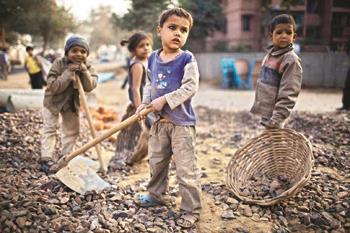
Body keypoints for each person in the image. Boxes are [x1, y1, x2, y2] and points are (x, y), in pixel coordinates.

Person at [135, 8, 201, 229]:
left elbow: (190, 87)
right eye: (172, 28)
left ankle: (191, 208)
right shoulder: (153, 57)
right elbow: (149, 84)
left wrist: (165, 100)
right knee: (157, 161)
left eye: (184, 30)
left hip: (181, 123)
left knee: (185, 168)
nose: (178, 33)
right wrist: (145, 104)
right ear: (159, 30)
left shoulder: (187, 58)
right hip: (159, 123)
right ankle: (155, 194)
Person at [41, 36, 98, 170]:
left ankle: (65, 157)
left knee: (72, 130)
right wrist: (68, 72)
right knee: (50, 128)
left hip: (71, 103)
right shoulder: (58, 63)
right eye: (74, 51)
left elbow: (90, 86)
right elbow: (53, 87)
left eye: (83, 52)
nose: (78, 54)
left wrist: (84, 71)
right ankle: (46, 158)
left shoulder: (88, 67)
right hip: (53, 101)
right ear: (67, 52)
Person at [250, 14, 303, 129]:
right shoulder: (271, 55)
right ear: (271, 36)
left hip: (276, 115)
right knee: (270, 143)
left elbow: (289, 92)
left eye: (288, 33)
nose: (284, 36)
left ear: (294, 37)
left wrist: (277, 118)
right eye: (279, 32)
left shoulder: (290, 60)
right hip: (267, 112)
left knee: (277, 142)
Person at [113, 32, 153, 166]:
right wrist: (139, 109)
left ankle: (141, 155)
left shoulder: (147, 62)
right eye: (141, 46)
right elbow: (135, 89)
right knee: (131, 133)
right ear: (134, 50)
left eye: (148, 45)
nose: (146, 48)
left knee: (150, 131)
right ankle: (122, 158)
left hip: (149, 105)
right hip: (139, 105)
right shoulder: (137, 65)